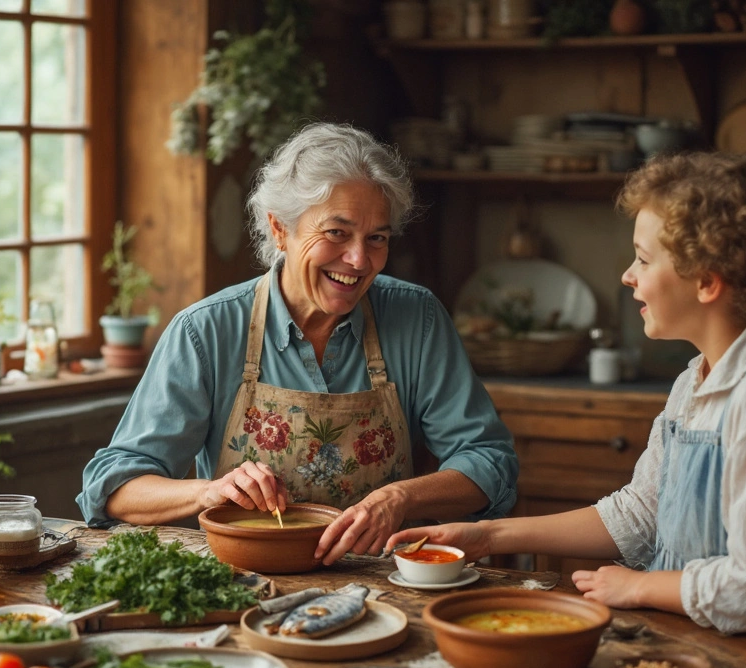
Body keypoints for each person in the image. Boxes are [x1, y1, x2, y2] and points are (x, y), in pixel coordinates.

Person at [388, 153, 746, 652]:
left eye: (644, 259)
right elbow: (639, 516)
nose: (628, 276)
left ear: (707, 280)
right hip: (698, 642)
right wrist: (489, 537)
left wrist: (639, 586)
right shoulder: (693, 383)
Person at [79, 123, 518, 565]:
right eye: (336, 233)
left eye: (377, 238)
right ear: (279, 230)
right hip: (246, 582)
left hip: (384, 584)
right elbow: (115, 486)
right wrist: (208, 491)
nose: (359, 260)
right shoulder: (206, 330)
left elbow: (490, 463)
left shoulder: (417, 320)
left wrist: (400, 498)